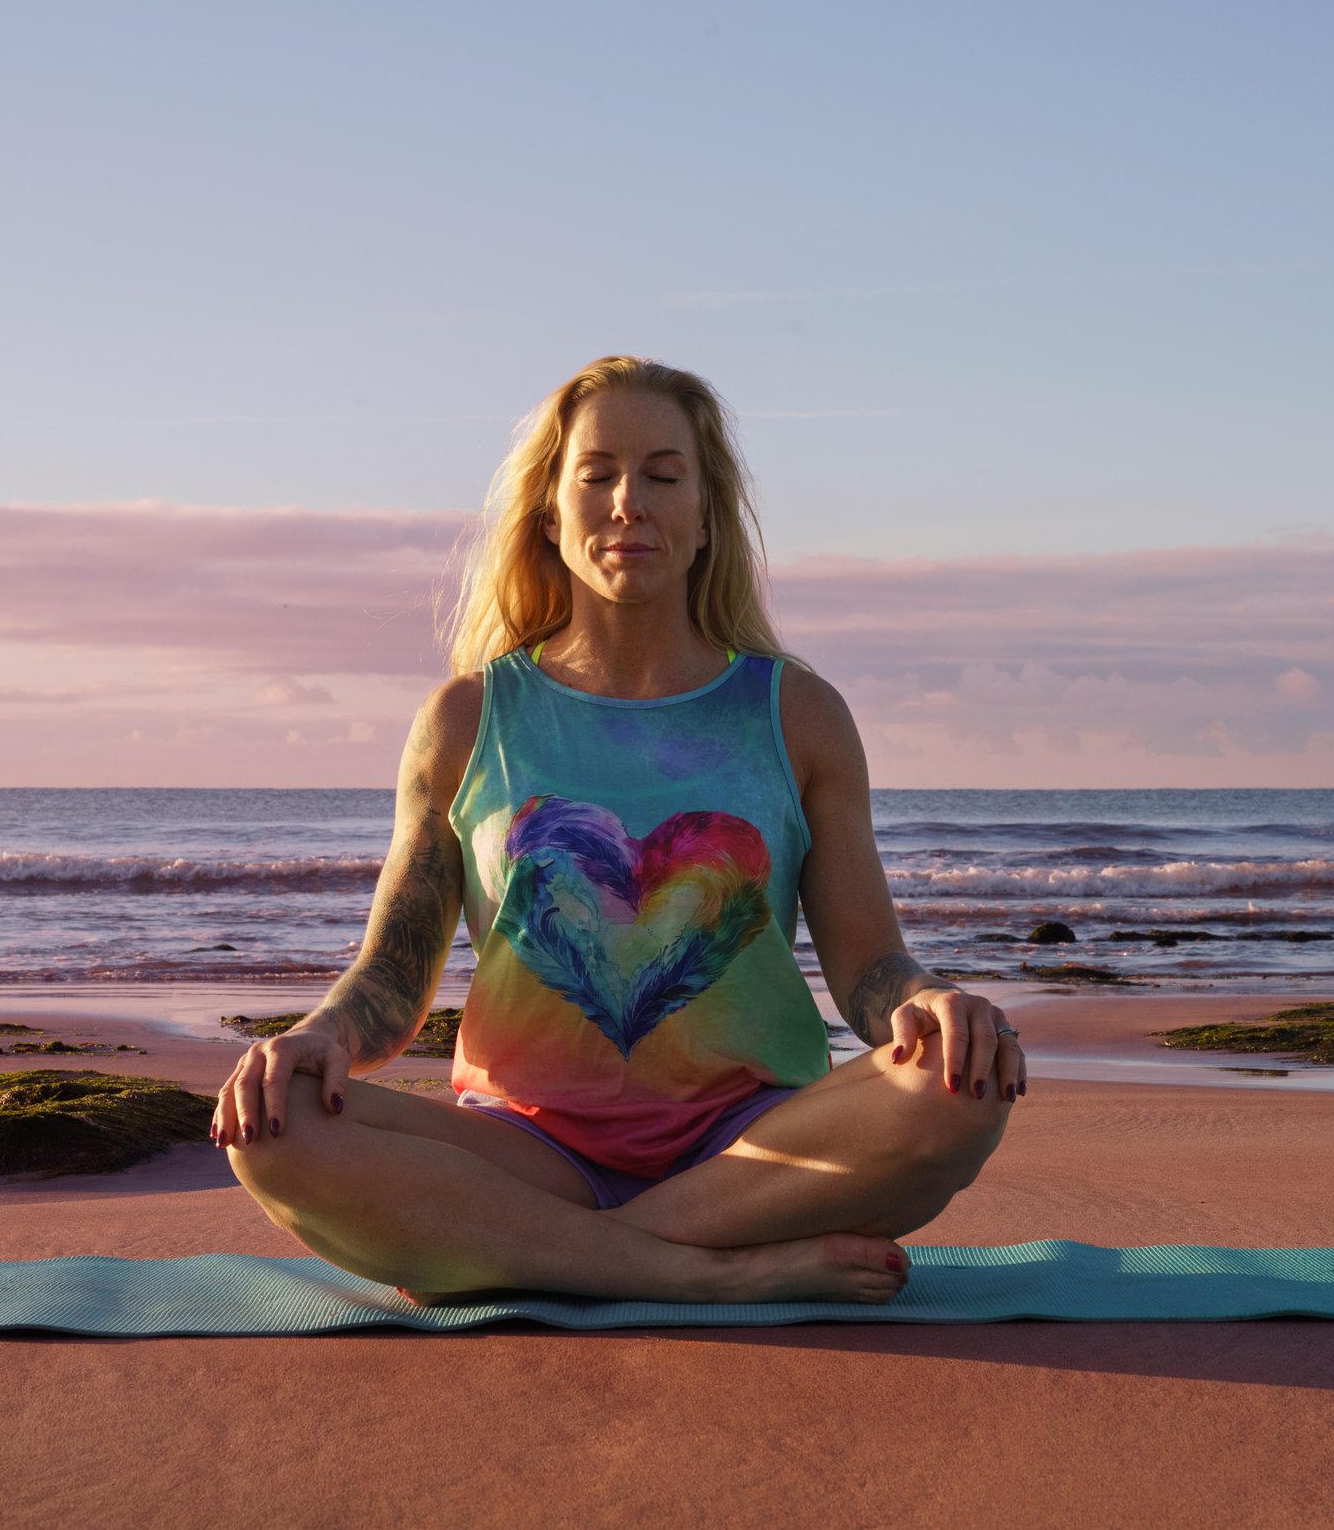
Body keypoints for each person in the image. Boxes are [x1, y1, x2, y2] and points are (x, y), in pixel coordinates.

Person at [215, 354, 1021, 1305]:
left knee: (961, 1084)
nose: (628, 502)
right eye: (596, 475)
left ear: (706, 519)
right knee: (276, 1121)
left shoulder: (796, 713)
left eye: (664, 475)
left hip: (756, 1145)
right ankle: (704, 1273)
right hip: (524, 1146)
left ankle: (513, 1251)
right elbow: (392, 981)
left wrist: (929, 1003)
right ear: (550, 515)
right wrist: (318, 1036)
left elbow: (868, 967)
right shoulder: (469, 720)